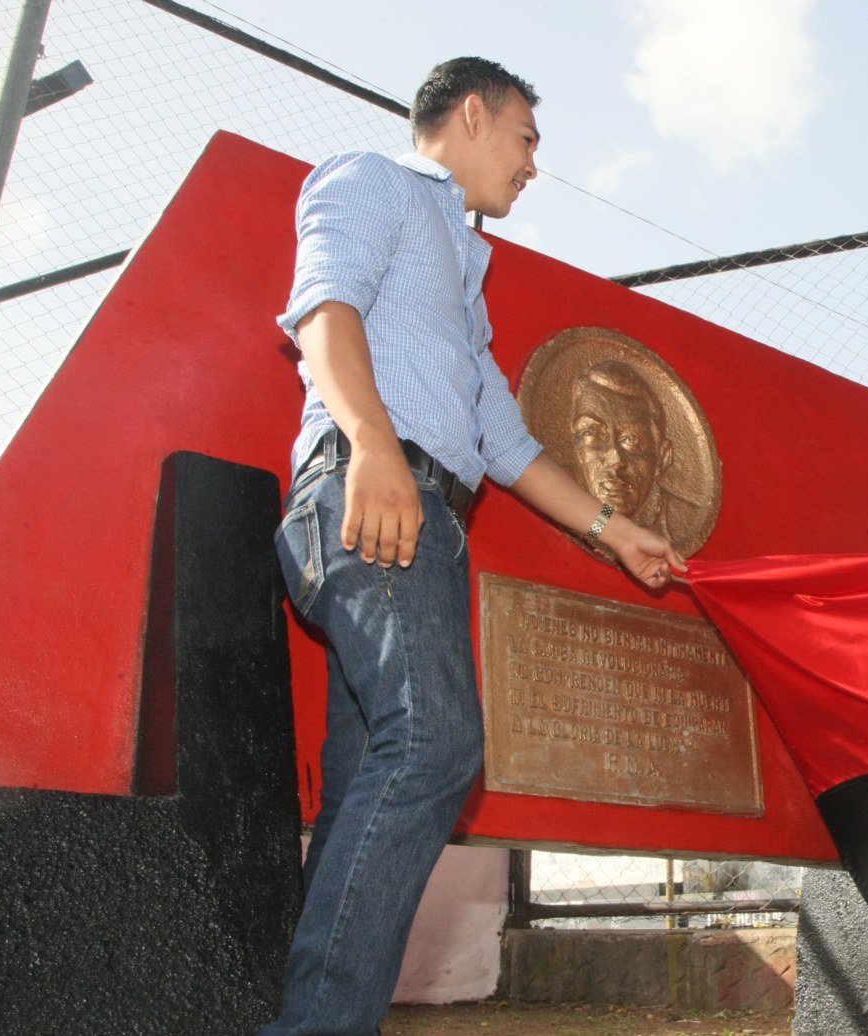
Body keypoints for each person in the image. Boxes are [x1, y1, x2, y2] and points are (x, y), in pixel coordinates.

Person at [266, 58, 684, 1036]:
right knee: (435, 742)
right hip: (371, 492)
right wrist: (372, 446)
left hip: (424, 520)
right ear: (470, 113)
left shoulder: (466, 267)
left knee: (372, 775)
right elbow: (322, 309)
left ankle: (316, 1014)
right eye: (526, 138)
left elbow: (502, 436)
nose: (534, 164)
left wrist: (614, 529)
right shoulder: (371, 180)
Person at [570, 359, 697, 540]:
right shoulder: (552, 490)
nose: (615, 459)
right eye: (592, 433)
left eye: (631, 440)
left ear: (662, 458)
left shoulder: (682, 521)